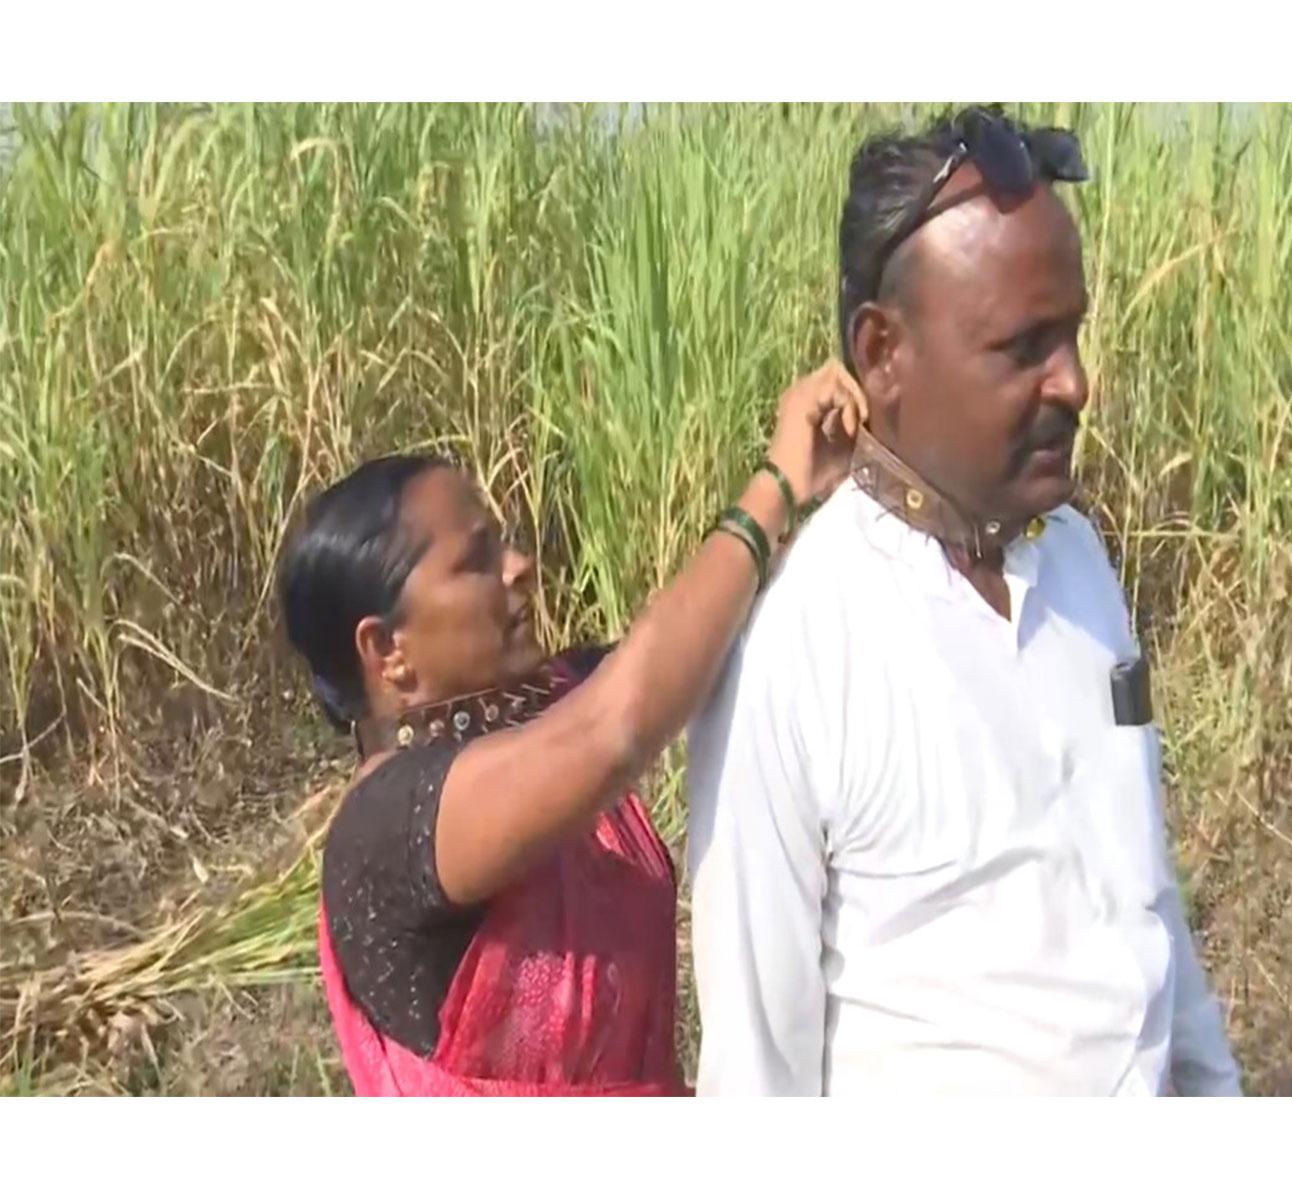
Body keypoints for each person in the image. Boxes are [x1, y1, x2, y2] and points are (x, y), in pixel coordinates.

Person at [686, 107, 1243, 1095]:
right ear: (883, 352)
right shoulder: (797, 646)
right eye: (1023, 347)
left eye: (1071, 334)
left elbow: (1144, 899)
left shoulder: (1076, 563)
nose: (1076, 383)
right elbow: (756, 1075)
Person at [276, 362, 864, 1096]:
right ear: (385, 650)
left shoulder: (549, 707)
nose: (520, 567)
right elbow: (617, 727)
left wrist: (834, 494)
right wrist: (773, 486)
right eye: (476, 561)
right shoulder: (388, 827)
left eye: (505, 543)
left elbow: (685, 649)